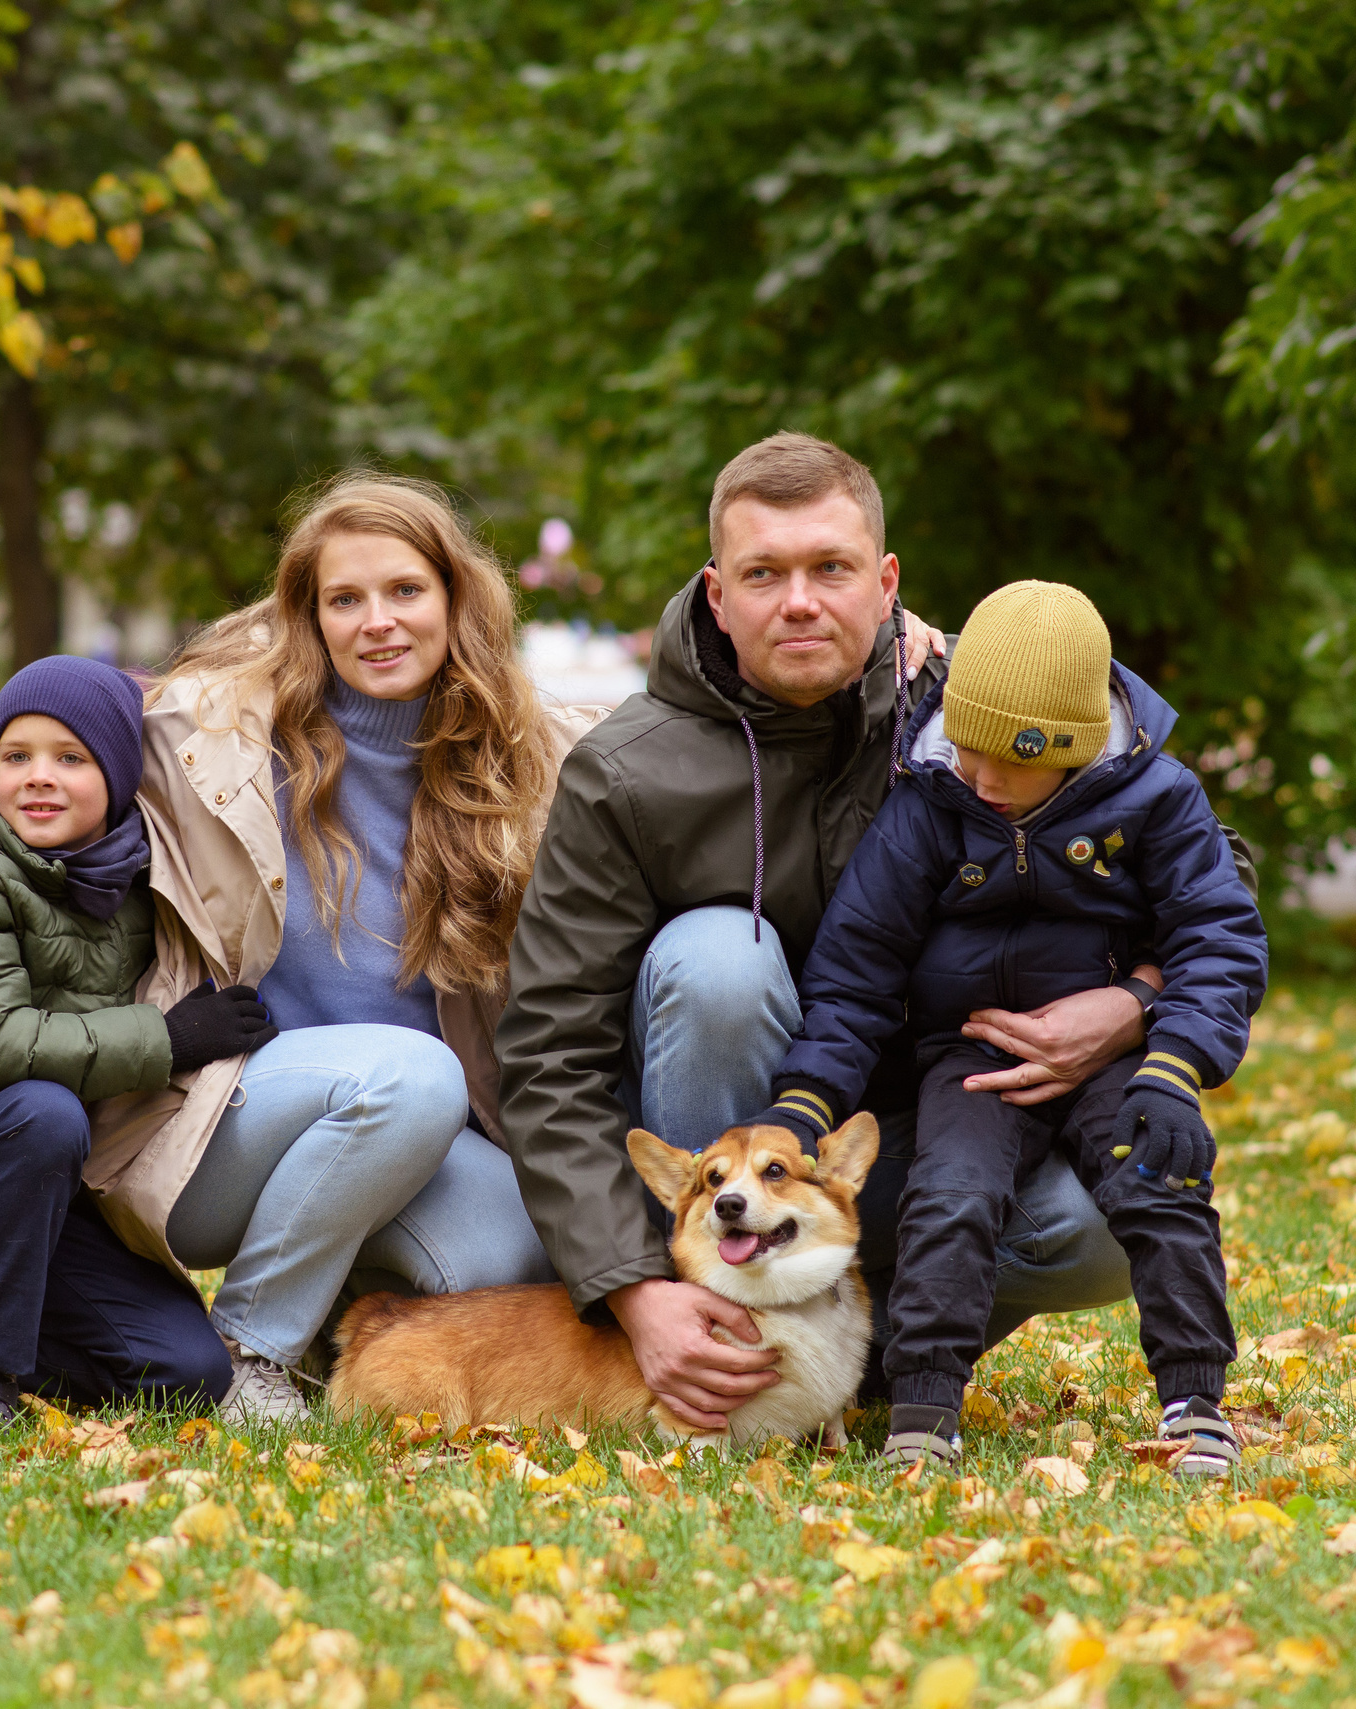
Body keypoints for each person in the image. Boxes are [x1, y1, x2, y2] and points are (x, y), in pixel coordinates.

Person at [498, 431, 1159, 1435]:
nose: (798, 599)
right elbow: (548, 1052)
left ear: (884, 582)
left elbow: (1200, 865)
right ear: (717, 593)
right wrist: (634, 1289)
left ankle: (877, 1355)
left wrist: (1133, 1001)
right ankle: (714, 1343)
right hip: (714, 1168)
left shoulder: (972, 708)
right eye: (763, 572)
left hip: (911, 1140)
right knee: (718, 958)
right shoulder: (625, 769)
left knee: (1111, 1209)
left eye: (830, 568)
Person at [81, 474, 605, 1425]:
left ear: (456, 598)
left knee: (503, 1257)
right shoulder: (210, 738)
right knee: (411, 1074)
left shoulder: (536, 757)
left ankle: (329, 1313)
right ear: (308, 616)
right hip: (216, 1123)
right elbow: (30, 782)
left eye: (406, 590)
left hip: (405, 1136)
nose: (379, 621)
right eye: (345, 599)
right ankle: (251, 1351)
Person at [759, 581, 1267, 1471]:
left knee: (1161, 1183)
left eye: (1010, 760)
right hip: (973, 1058)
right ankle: (922, 1411)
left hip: (1118, 1056)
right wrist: (802, 1108)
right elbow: (856, 974)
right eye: (965, 747)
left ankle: (1195, 1401)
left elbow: (1217, 933)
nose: (980, 777)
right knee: (950, 1197)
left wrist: (1178, 1063)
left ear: (1071, 752)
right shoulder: (929, 802)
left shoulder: (1155, 799)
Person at [0, 656, 266, 1430]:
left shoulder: (124, 878)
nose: (38, 776)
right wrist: (167, 1039)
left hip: (38, 1197)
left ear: (120, 775)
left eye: (72, 757)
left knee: (187, 1372)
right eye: (16, 756)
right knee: (41, 1108)